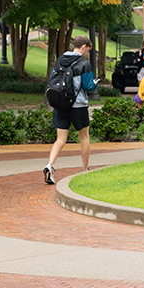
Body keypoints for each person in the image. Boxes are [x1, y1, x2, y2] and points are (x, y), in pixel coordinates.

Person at [43, 36, 97, 185]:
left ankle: (50, 165)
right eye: (87, 50)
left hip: (60, 104)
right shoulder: (84, 64)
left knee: (60, 139)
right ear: (84, 47)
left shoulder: (60, 60)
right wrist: (94, 84)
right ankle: (85, 169)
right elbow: (87, 86)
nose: (87, 53)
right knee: (84, 137)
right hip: (78, 105)